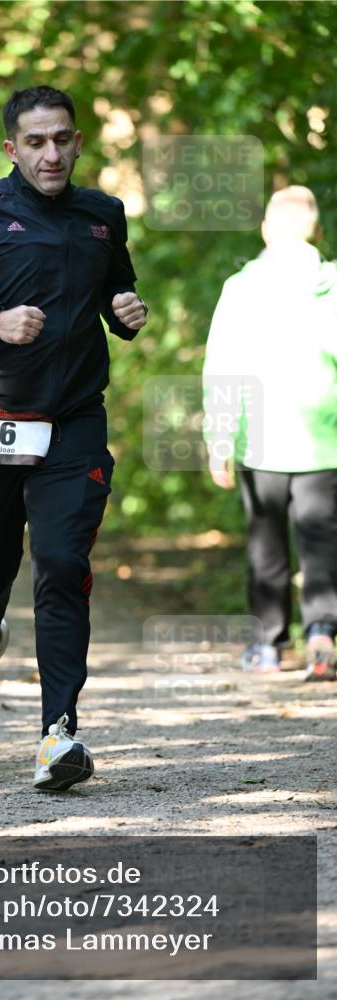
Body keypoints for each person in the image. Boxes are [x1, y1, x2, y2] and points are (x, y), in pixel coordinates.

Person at [0, 86, 147, 790]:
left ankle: (58, 735)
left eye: (62, 140)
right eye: (35, 142)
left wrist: (123, 312)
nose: (51, 153)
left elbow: (114, 294)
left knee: (60, 561)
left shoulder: (102, 216)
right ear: (12, 148)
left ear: (78, 142)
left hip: (74, 420)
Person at [202, 186, 337, 681]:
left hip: (259, 442)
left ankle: (268, 646)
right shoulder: (334, 284)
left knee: (266, 545)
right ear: (317, 231)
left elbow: (222, 368)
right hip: (326, 443)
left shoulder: (242, 287)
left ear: (265, 229)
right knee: (323, 542)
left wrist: (219, 438)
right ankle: (322, 631)